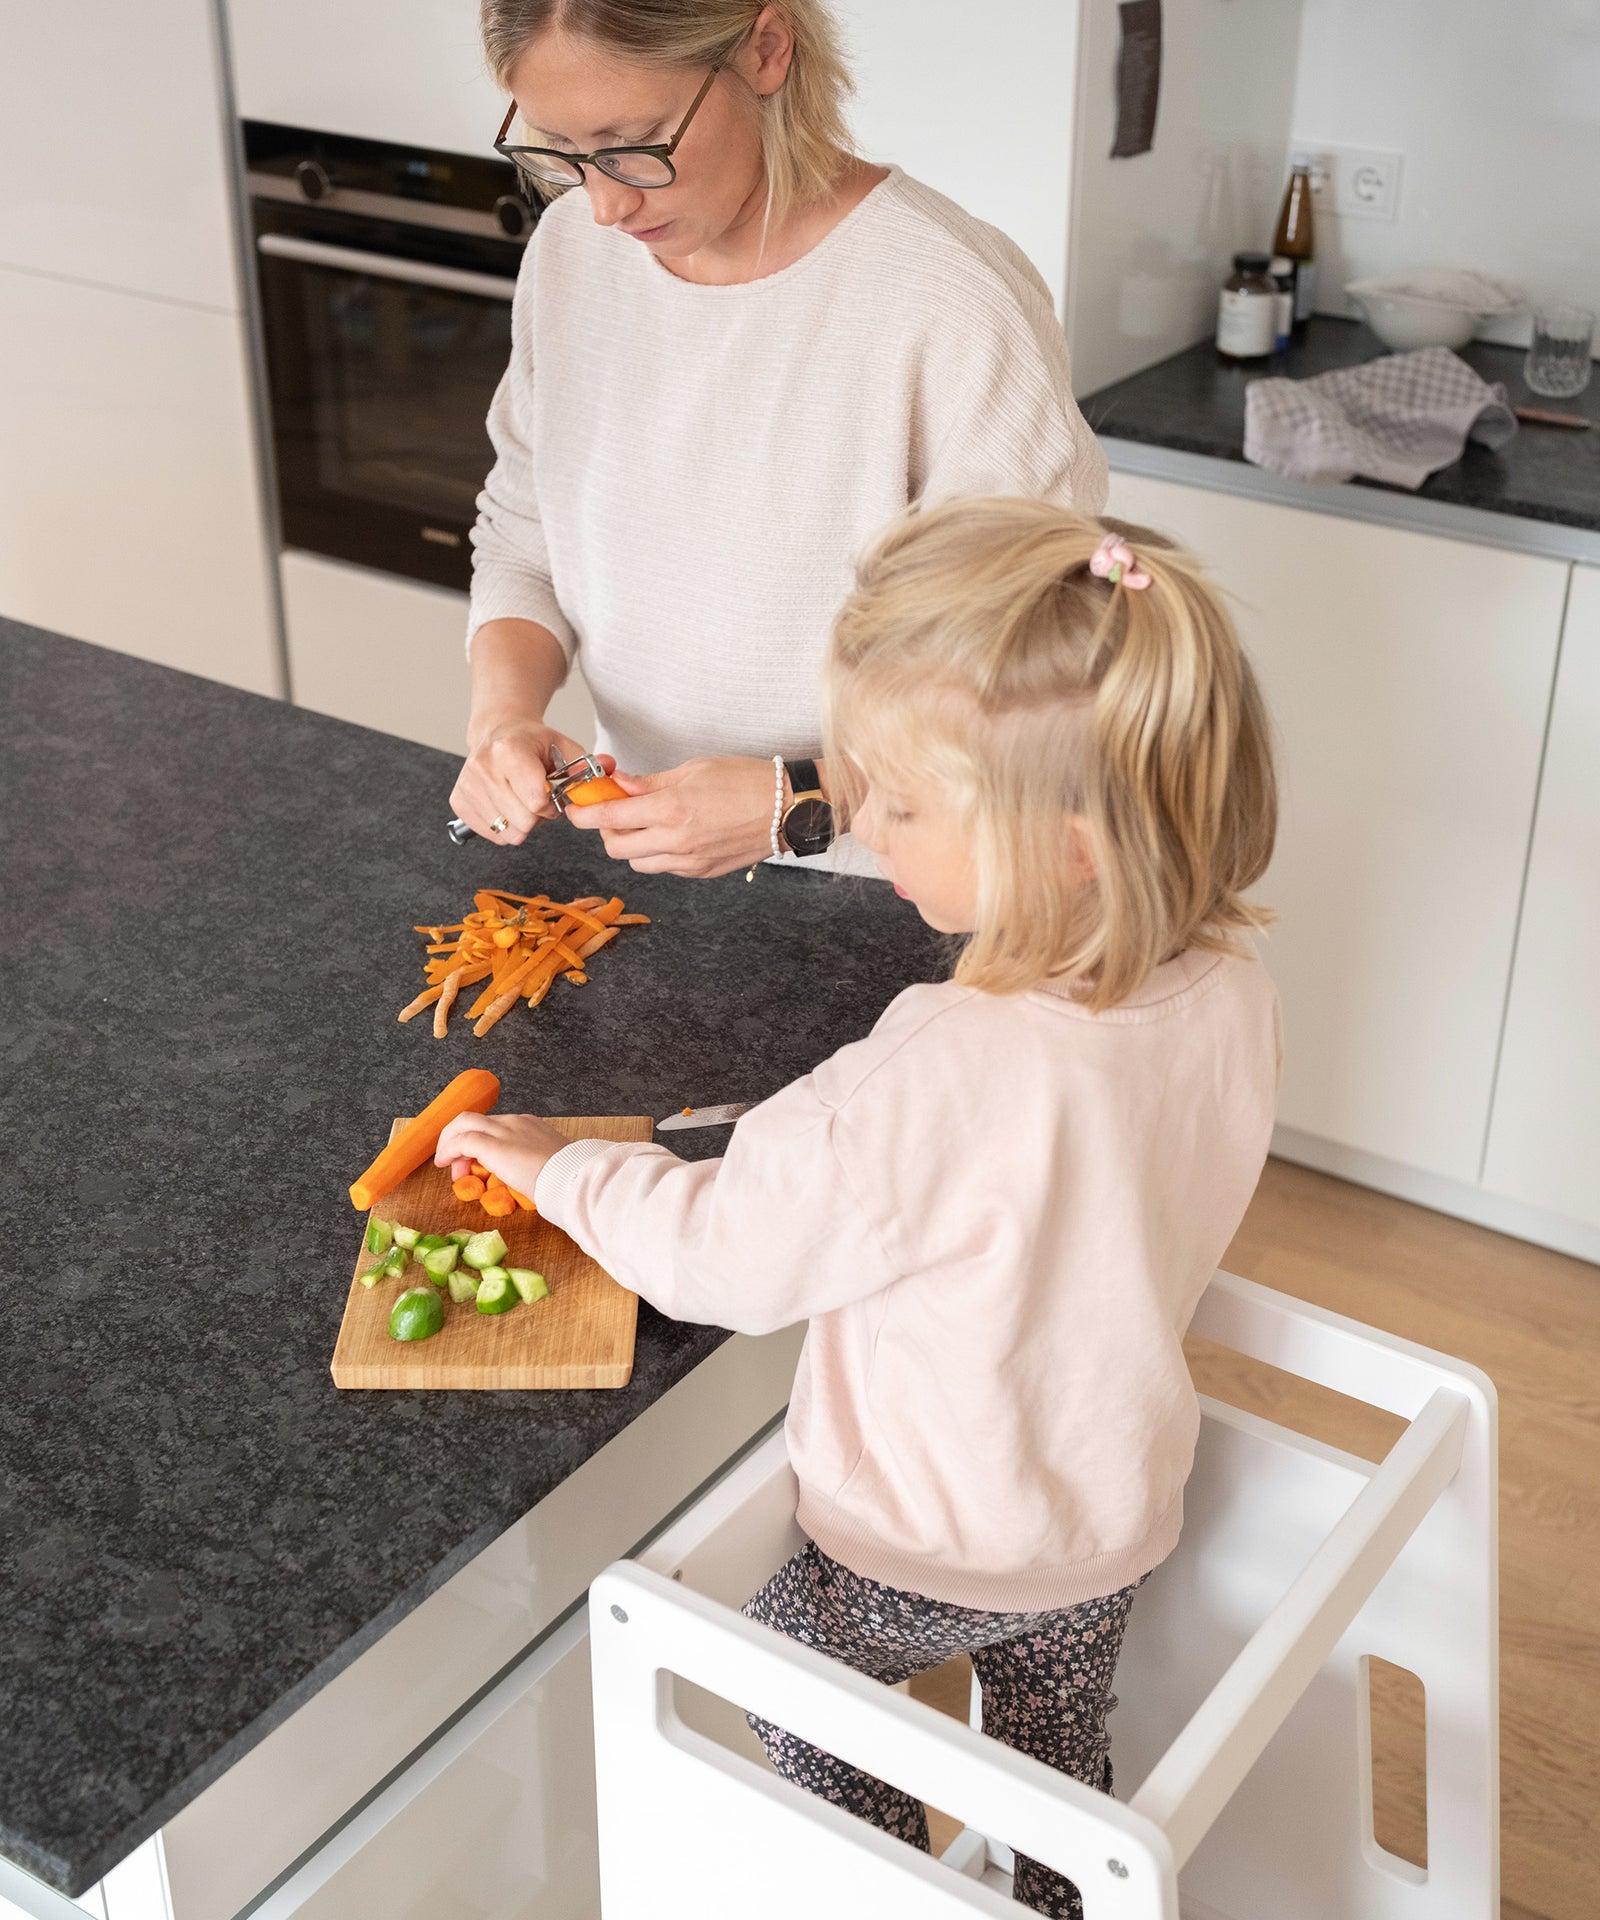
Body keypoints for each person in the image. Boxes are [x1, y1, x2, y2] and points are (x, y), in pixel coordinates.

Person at [436, 500, 1281, 1917]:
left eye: (899, 803)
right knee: (1058, 1761)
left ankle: (896, 1886)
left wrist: (550, 1167)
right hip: (1112, 1507)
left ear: (1065, 843)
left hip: (935, 1538)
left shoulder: (948, 1060)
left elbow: (721, 1257)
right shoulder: (1223, 987)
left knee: (788, 1672)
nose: (863, 827)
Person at [451, 0, 1107, 878]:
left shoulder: (949, 297)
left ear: (766, 50)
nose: (603, 203)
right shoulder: (573, 251)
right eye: (560, 153)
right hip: (646, 859)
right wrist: (503, 720)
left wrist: (805, 797)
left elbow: (1041, 679)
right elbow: (523, 535)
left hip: (907, 877)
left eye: (630, 143)